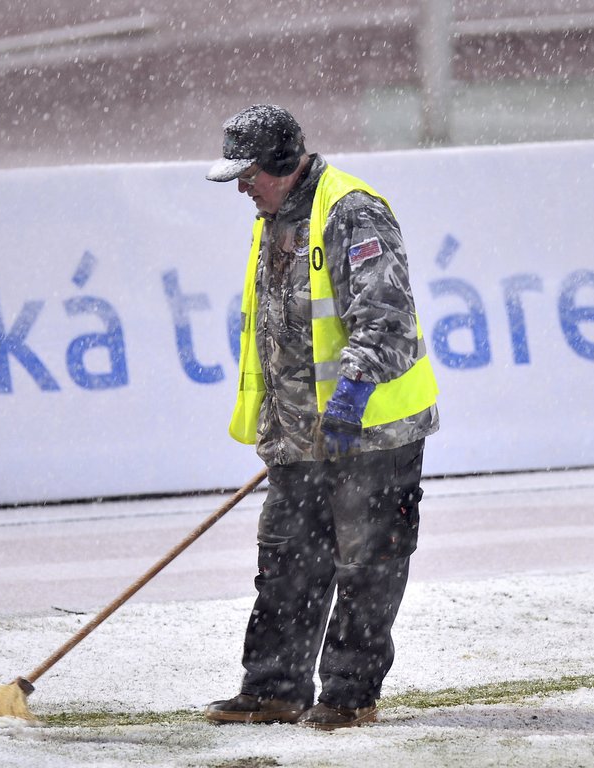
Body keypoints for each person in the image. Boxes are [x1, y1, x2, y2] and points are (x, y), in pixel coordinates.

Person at [203, 104, 439, 730]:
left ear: (282, 161)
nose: (242, 187)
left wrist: (353, 394)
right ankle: (274, 688)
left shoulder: (352, 211)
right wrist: (279, 426)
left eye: (247, 173)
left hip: (372, 432)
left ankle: (348, 694)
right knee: (287, 561)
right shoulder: (271, 218)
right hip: (300, 436)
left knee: (366, 565)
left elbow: (385, 315)